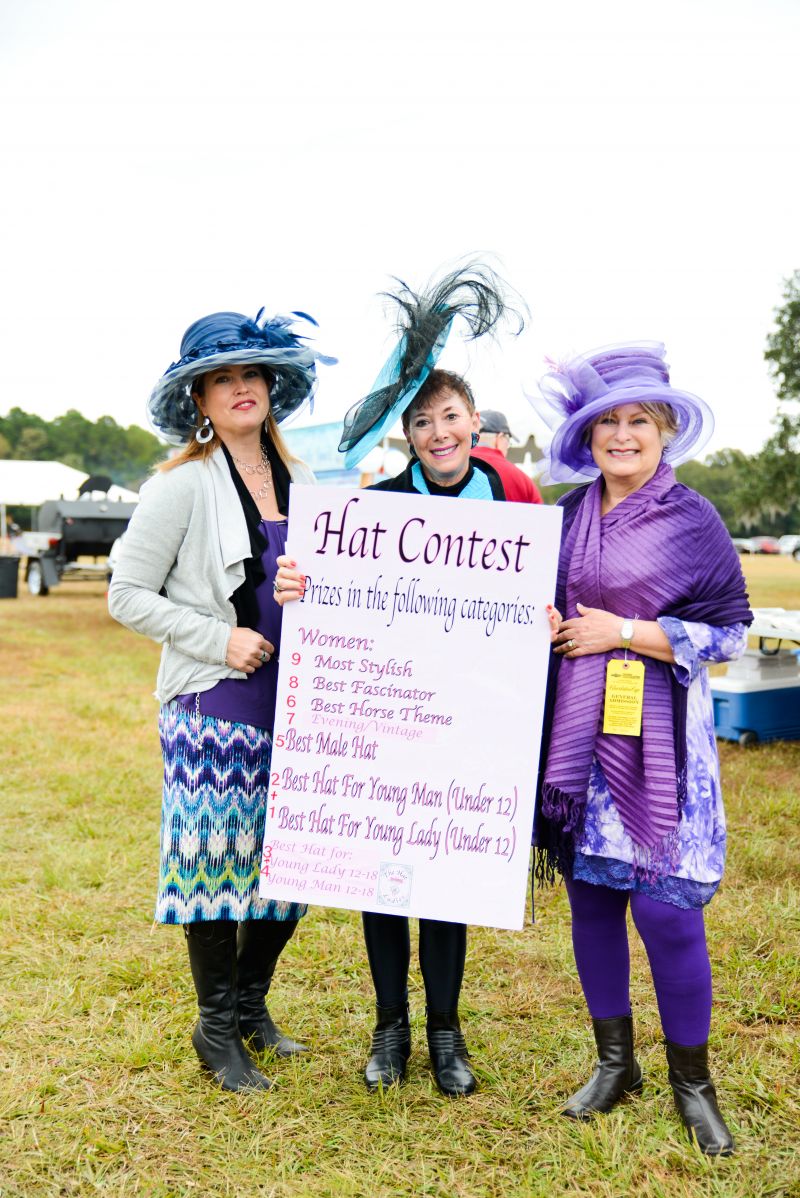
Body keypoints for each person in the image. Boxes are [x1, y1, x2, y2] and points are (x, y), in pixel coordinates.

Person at [276, 264, 523, 1096]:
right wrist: (301, 586)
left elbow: (541, 594)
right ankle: (390, 1030)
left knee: (447, 884)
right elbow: (333, 584)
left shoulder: (513, 495)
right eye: (421, 421)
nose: (438, 431)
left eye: (449, 416)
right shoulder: (379, 504)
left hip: (475, 720)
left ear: (474, 420)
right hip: (389, 720)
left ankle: (448, 1035)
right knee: (383, 879)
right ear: (408, 435)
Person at [531, 343, 752, 1155]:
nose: (622, 436)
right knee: (592, 902)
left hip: (663, 738)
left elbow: (729, 628)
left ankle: (694, 1084)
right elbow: (541, 611)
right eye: (608, 423)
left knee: (667, 912)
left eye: (639, 421)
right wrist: (553, 627)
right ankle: (615, 1064)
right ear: (585, 436)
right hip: (581, 740)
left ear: (663, 431)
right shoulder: (563, 518)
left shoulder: (692, 519)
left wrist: (621, 631)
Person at [108, 307, 333, 1092]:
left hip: (298, 702)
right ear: (200, 399)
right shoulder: (181, 486)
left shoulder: (304, 483)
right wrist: (217, 638)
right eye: (222, 379)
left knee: (292, 870)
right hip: (216, 701)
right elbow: (126, 594)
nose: (241, 389)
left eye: (251, 374)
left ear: (270, 386)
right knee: (215, 868)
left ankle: (249, 1003)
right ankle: (214, 1029)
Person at [471, 409, 543, 503]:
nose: (508, 447)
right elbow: (540, 516)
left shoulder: (452, 468)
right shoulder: (523, 481)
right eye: (508, 441)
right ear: (500, 438)